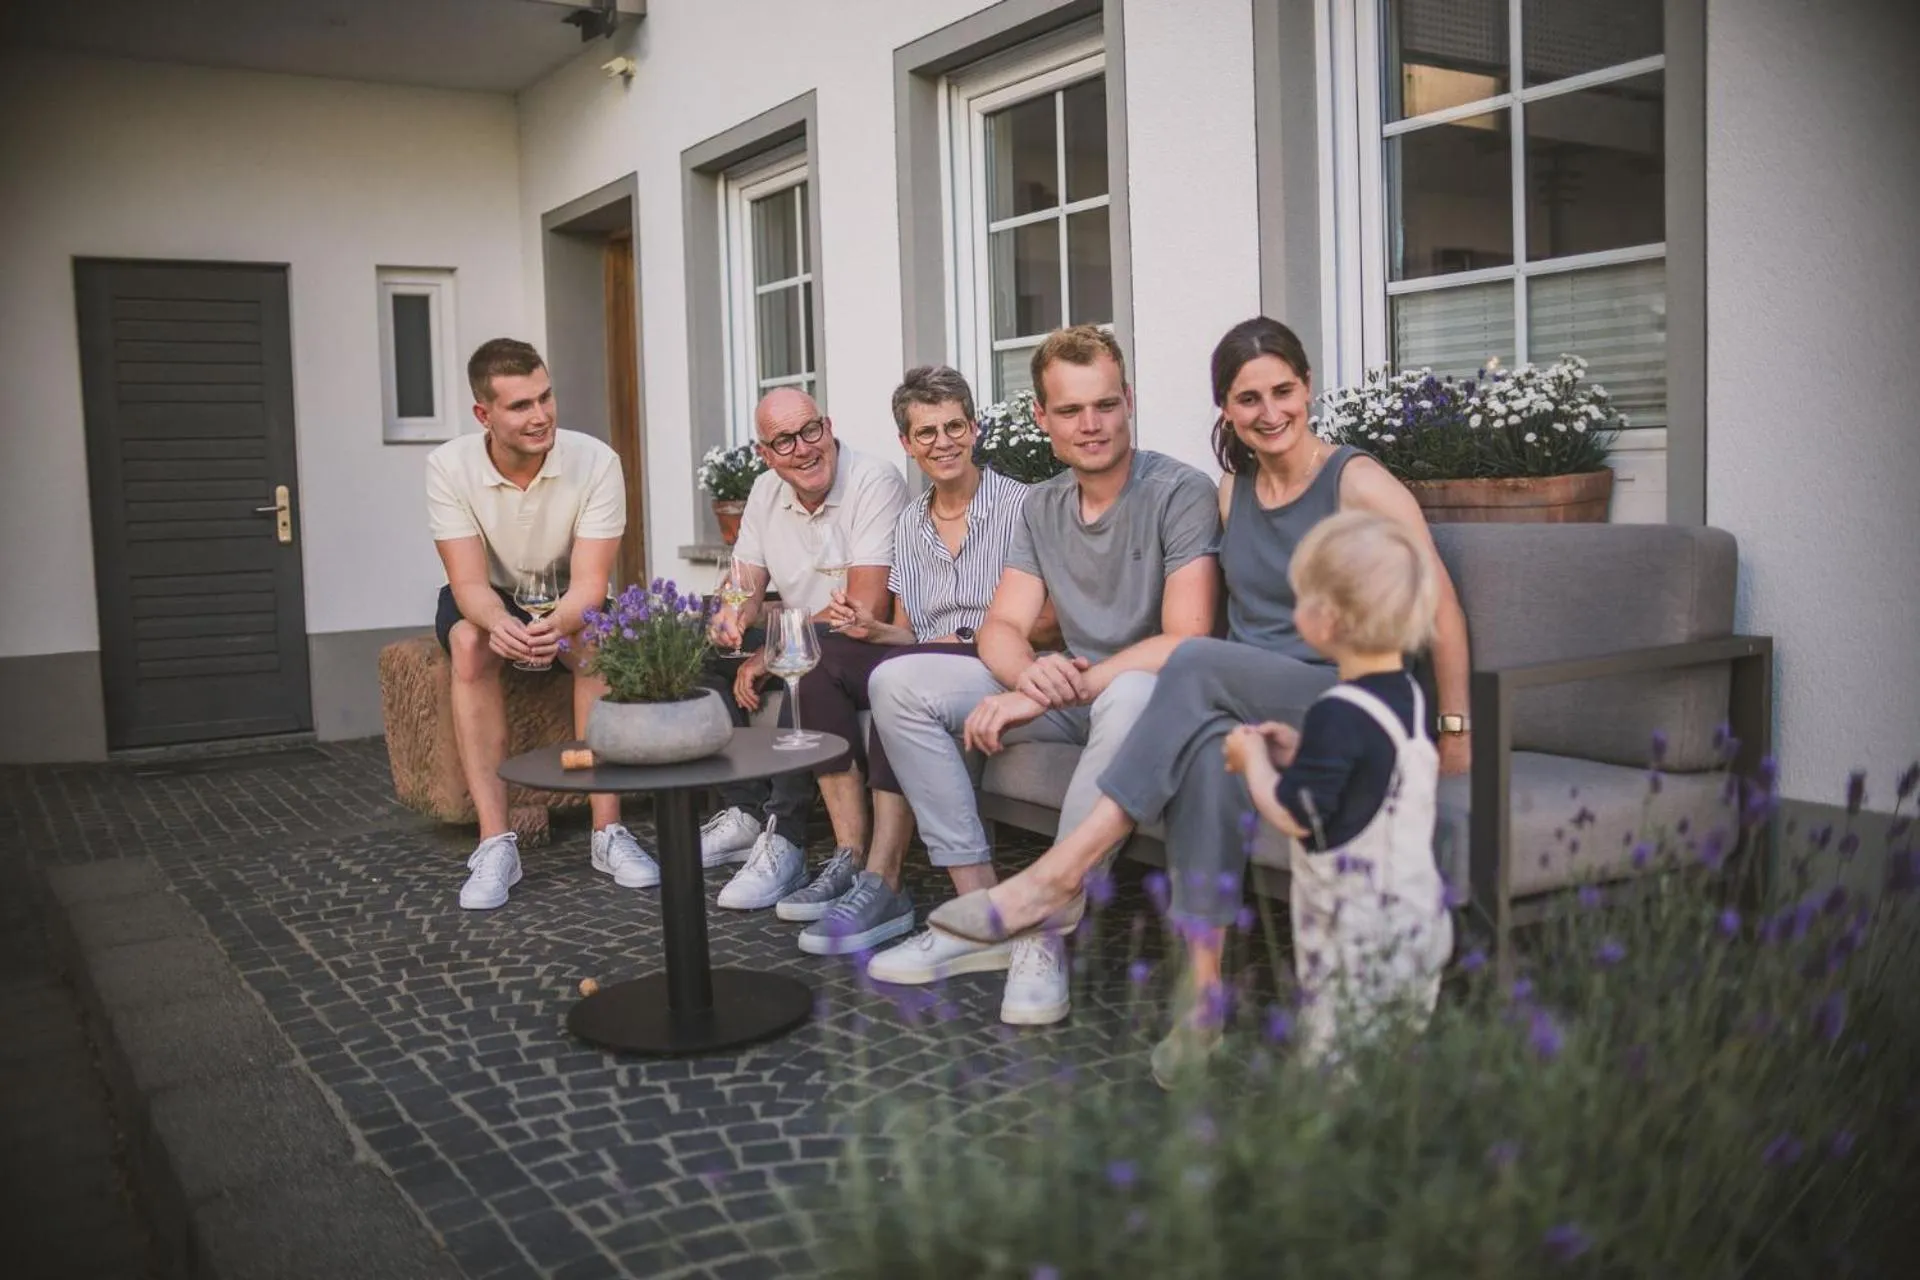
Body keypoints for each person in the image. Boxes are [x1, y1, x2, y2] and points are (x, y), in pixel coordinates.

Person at [928, 317, 1471, 1055]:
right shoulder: (1232, 489)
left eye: (1283, 391)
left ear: (1308, 388)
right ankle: (1205, 998)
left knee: (1190, 660)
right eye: (1249, 398)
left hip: (1354, 700)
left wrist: (1453, 732)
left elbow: (1436, 602)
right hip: (1266, 700)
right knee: (1211, 750)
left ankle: (1060, 873)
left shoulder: (1357, 480)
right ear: (1226, 409)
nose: (1270, 411)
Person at [864, 326, 1222, 1026]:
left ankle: (1043, 925)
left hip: (1153, 699)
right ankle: (984, 912)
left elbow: (1187, 640)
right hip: (1074, 690)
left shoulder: (1180, 491)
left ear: (1129, 404)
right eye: (1070, 410)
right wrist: (1029, 678)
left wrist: (1047, 692)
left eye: (1105, 405)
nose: (1090, 425)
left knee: (1132, 690)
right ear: (1041, 418)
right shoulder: (1043, 506)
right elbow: (1001, 628)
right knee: (897, 683)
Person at [768, 366, 1031, 957]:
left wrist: (973, 636)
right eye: (927, 433)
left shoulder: (1023, 507)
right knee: (819, 657)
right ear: (907, 444)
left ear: (976, 428)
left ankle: (885, 879)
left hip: (991, 662)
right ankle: (849, 857)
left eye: (954, 427)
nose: (943, 443)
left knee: (902, 677)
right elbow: (909, 633)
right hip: (928, 658)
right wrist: (873, 628)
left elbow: (1046, 619)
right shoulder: (911, 523)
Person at [1216, 511, 1454, 1083]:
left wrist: (1253, 765)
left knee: (1337, 1061)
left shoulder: (1335, 712)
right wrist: (1301, 751)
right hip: (1418, 916)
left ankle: (1341, 1151)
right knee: (1394, 1050)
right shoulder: (1409, 695)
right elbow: (1375, 768)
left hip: (1354, 930)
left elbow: (1297, 814)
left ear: (1328, 620)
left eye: (1301, 598)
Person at [426, 338, 656, 910]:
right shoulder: (447, 466)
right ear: (485, 414)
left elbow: (590, 585)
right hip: (492, 594)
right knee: (468, 643)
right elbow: (469, 583)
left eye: (546, 397)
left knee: (598, 638)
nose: (541, 416)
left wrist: (553, 626)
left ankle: (607, 832)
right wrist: (502, 623)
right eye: (520, 405)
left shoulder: (596, 461)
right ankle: (495, 842)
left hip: (565, 591)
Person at [701, 388, 911, 910]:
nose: (803, 448)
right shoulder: (765, 491)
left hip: (857, 641)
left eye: (811, 431)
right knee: (691, 652)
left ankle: (786, 836)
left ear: (829, 426)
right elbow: (743, 583)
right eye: (784, 441)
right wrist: (729, 616)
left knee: (803, 659)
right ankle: (745, 812)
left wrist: (768, 653)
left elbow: (866, 606)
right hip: (796, 632)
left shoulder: (873, 480)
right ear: (765, 454)